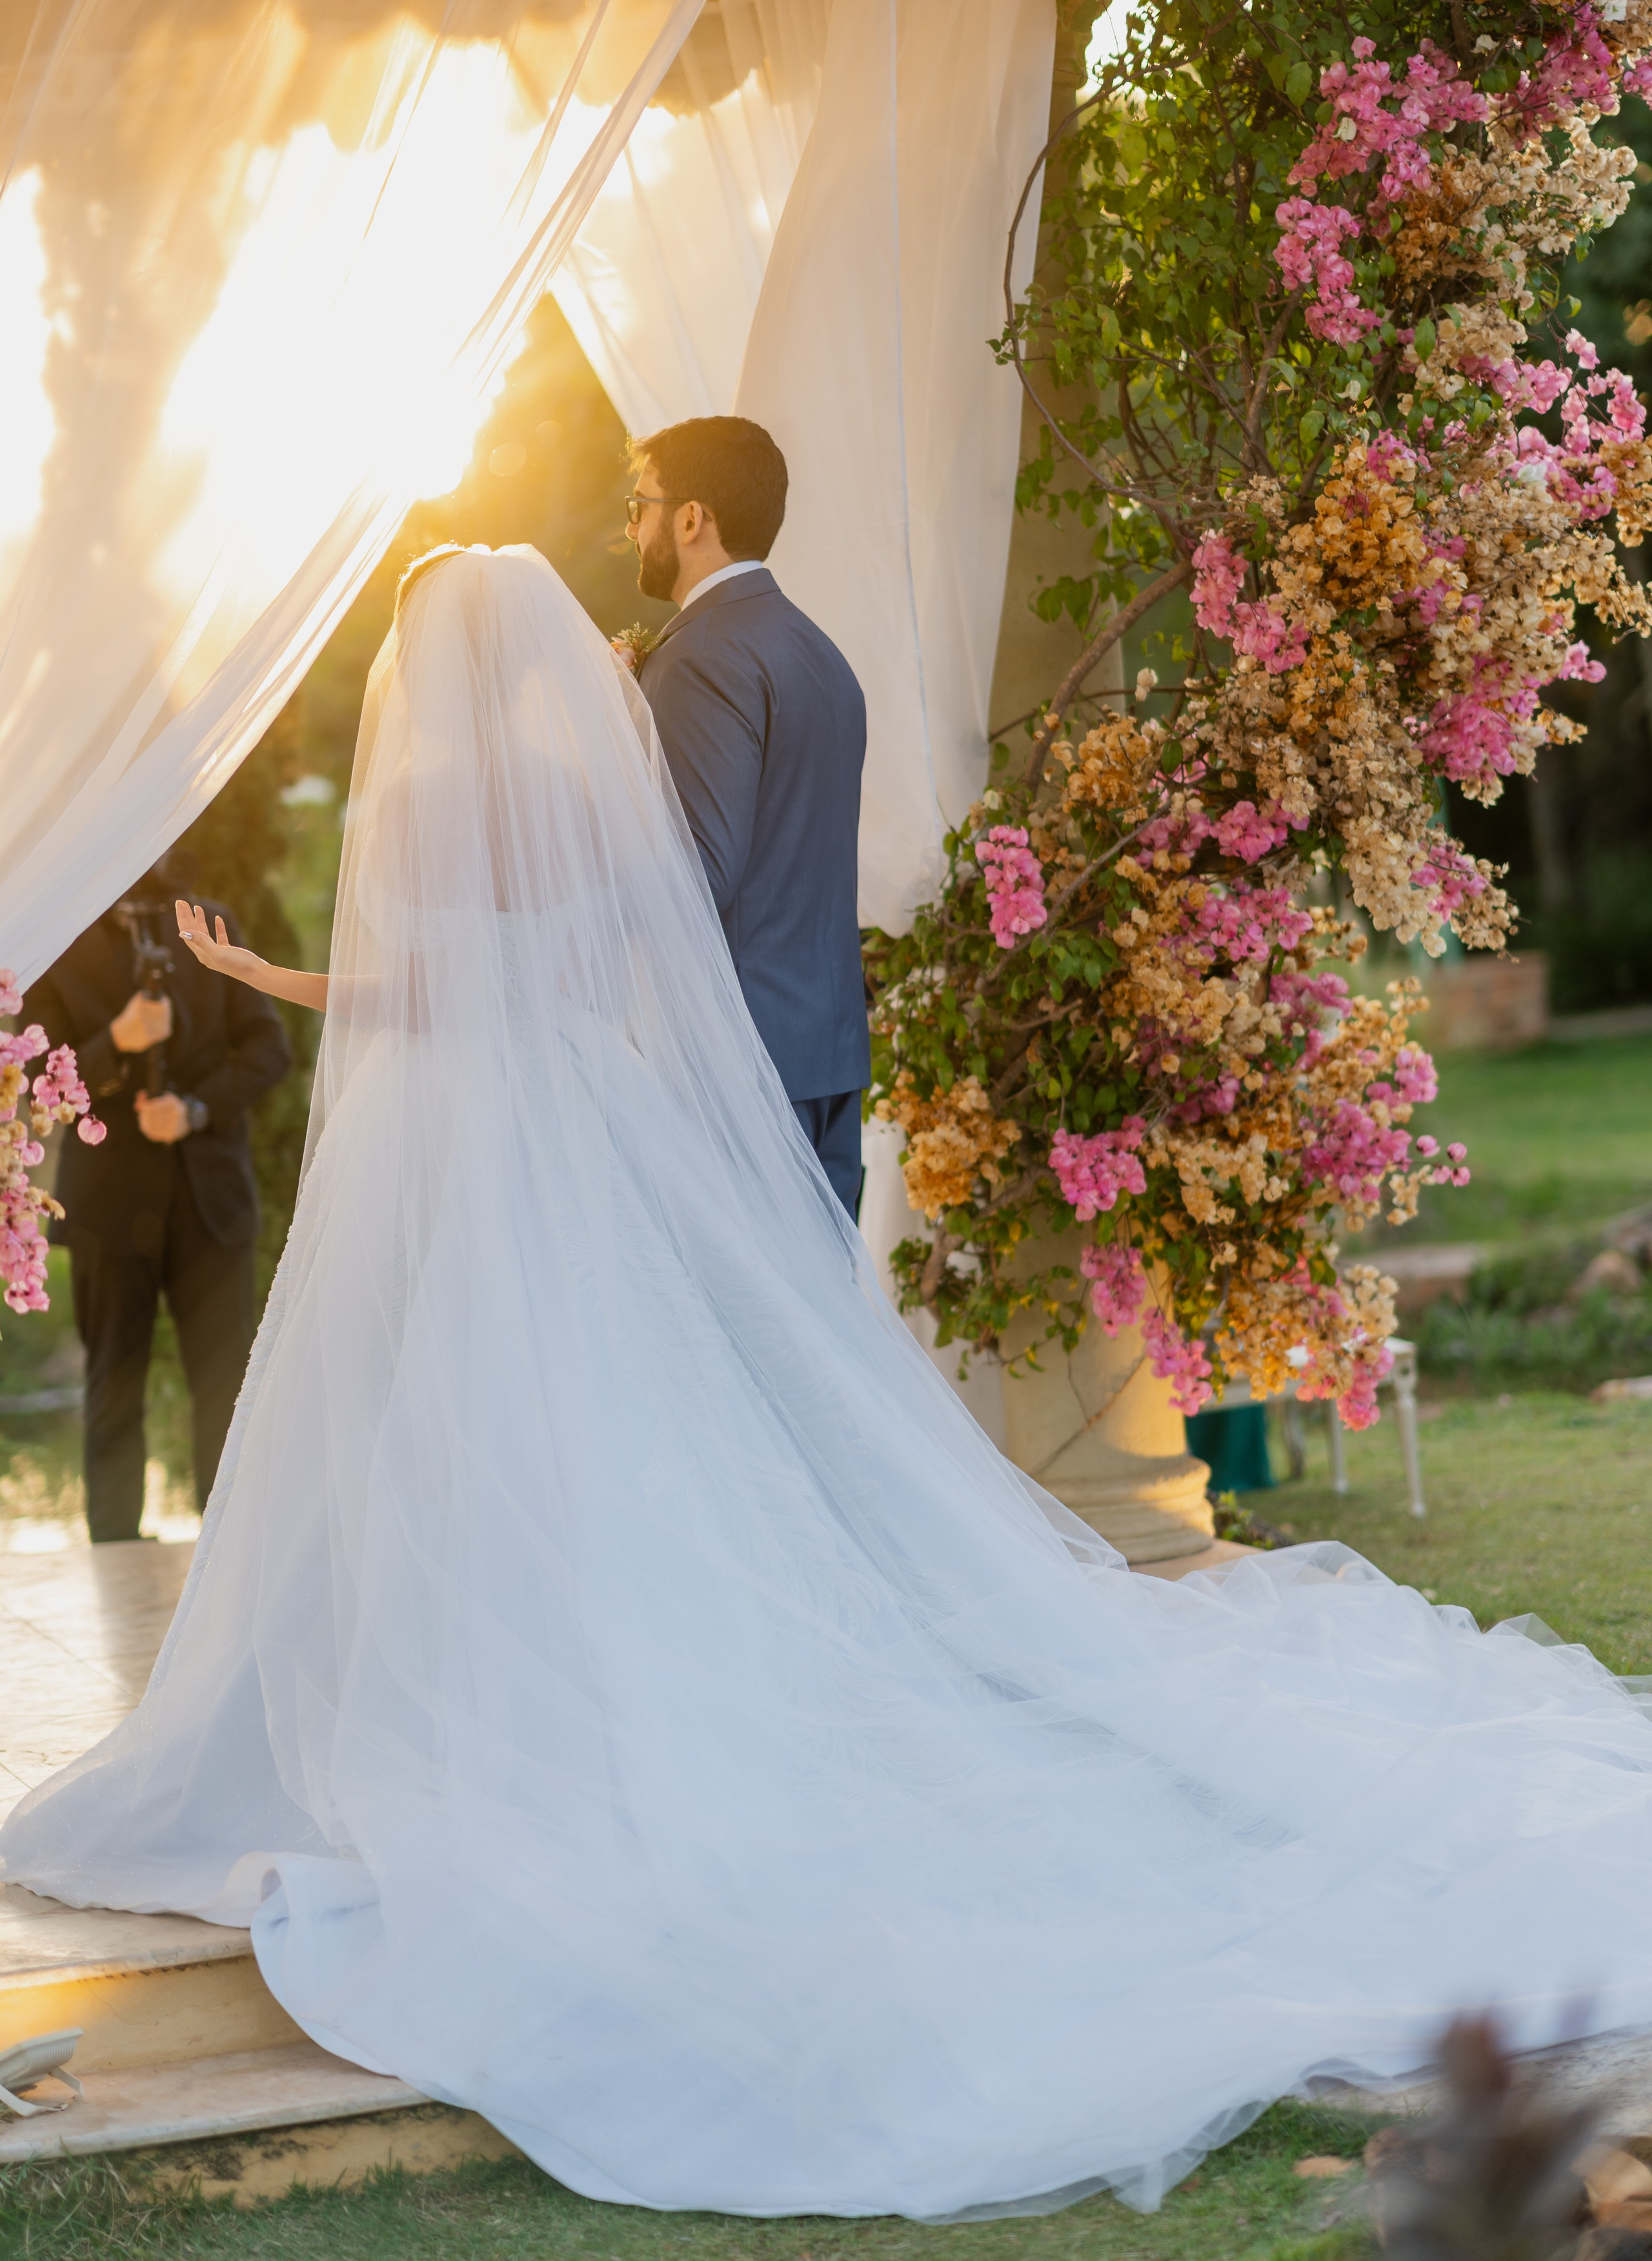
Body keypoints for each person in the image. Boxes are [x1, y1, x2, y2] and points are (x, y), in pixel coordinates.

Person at [4, 547, 1651, 2225]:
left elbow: (425, 987)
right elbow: (581, 971)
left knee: (438, 1436)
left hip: (462, 1144)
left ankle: (468, 1707)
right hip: (582, 1129)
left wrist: (262, 978)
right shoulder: (587, 775)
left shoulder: (429, 790)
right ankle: (597, 1682)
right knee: (600, 1434)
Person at [627, 416, 869, 1217]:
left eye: (640, 504)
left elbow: (699, 867)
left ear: (691, 518)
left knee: (732, 1337)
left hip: (736, 1071)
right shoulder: (817, 650)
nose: (631, 527)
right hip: (826, 1053)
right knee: (820, 1330)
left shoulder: (699, 656)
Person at [21, 871, 290, 1543]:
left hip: (213, 1206)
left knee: (228, 1389)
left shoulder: (215, 922)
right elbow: (35, 1082)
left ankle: (227, 1555)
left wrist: (196, 1109)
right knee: (113, 1389)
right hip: (110, 1208)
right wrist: (118, 1043)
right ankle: (115, 1555)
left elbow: (269, 1049)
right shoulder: (59, 942)